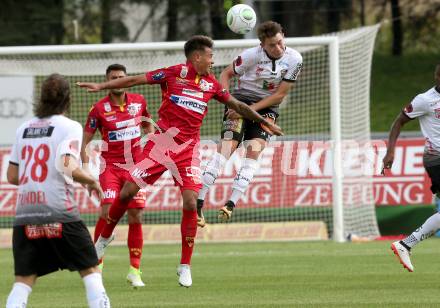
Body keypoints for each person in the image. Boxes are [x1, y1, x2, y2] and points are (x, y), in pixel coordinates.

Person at [77, 35, 283, 287]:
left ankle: (185, 265)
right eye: (209, 56)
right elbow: (135, 79)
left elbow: (237, 105)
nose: (212, 61)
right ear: (196, 57)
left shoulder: (212, 85)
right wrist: (101, 87)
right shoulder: (173, 73)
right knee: (126, 193)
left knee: (189, 201)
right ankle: (103, 240)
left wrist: (262, 121)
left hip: (187, 150)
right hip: (160, 144)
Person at [5, 74, 110, 308]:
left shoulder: (23, 128)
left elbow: (12, 176)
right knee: (91, 272)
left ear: (40, 99)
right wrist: (92, 181)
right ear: (67, 98)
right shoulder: (69, 126)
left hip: (26, 217)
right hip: (60, 213)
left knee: (23, 281)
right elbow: (65, 164)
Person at [196, 21, 303, 226]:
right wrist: (230, 102)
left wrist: (249, 112)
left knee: (254, 151)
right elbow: (225, 74)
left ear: (284, 36)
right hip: (240, 101)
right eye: (272, 45)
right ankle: (198, 204)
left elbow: (279, 96)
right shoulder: (251, 55)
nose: (278, 48)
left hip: (267, 107)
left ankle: (231, 204)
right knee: (226, 149)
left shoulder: (295, 59)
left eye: (280, 42)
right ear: (262, 45)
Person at [81, 64, 154, 288]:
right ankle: (97, 264)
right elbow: (85, 140)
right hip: (110, 167)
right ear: (108, 81)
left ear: (126, 79)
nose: (118, 80)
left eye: (121, 77)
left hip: (134, 167)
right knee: (107, 209)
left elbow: (149, 126)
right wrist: (84, 168)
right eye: (114, 78)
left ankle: (134, 271)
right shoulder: (98, 109)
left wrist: (150, 149)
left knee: (136, 215)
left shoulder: (139, 101)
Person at [383, 64, 440, 272]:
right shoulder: (425, 100)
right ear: (437, 77)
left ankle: (406, 244)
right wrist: (390, 151)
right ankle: (406, 244)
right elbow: (399, 122)